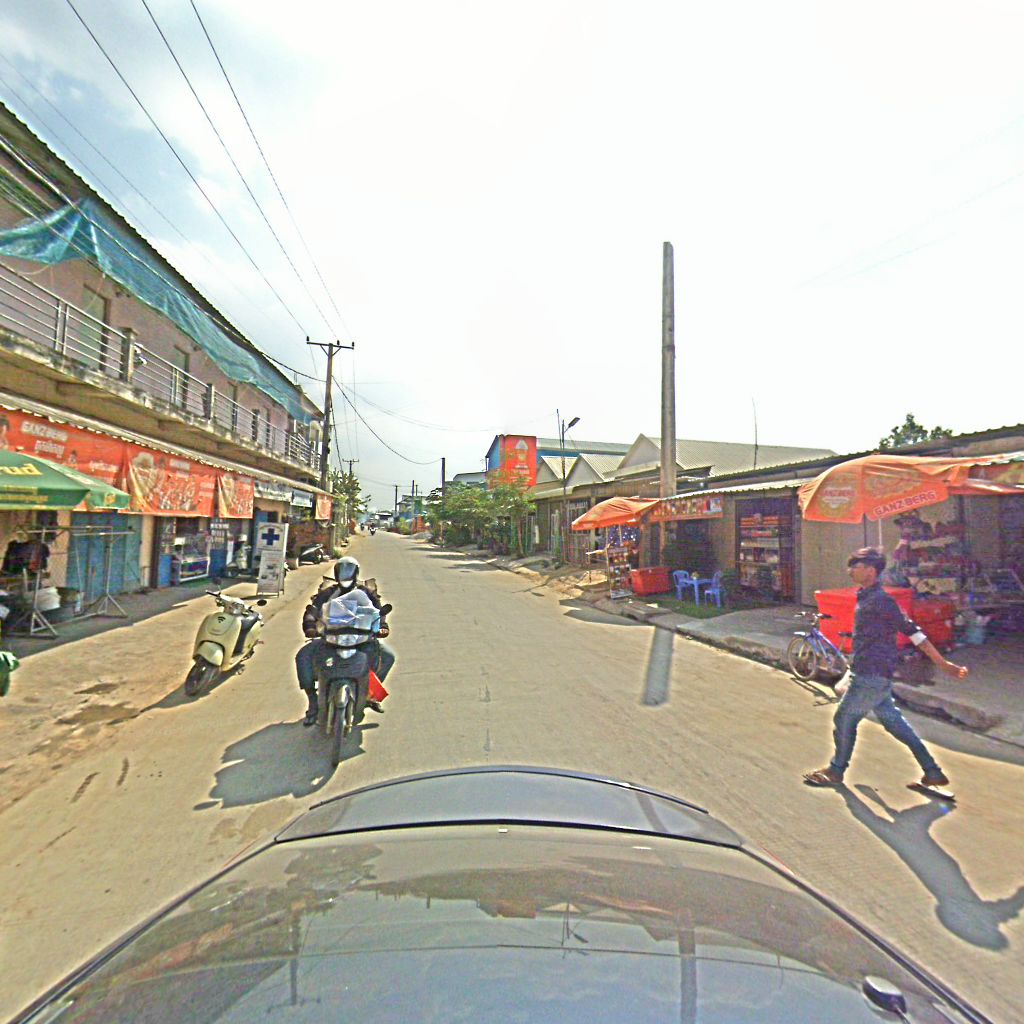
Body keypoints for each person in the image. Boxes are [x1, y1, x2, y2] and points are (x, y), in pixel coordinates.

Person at [804, 547, 968, 789]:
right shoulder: (866, 596)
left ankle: (836, 771)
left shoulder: (882, 600)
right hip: (872, 671)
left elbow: (913, 632)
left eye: (856, 566)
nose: (850, 571)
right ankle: (932, 772)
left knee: (844, 718)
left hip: (871, 673)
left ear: (871, 571)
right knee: (894, 723)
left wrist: (942, 663)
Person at [295, 556, 395, 726]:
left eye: (349, 572)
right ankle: (312, 701)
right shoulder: (328, 593)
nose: (345, 576)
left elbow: (378, 612)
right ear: (336, 574)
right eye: (342, 572)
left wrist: (382, 626)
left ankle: (371, 694)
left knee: (388, 656)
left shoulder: (365, 593)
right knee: (303, 656)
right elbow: (312, 611)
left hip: (361, 638)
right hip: (331, 638)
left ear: (355, 574)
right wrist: (310, 626)